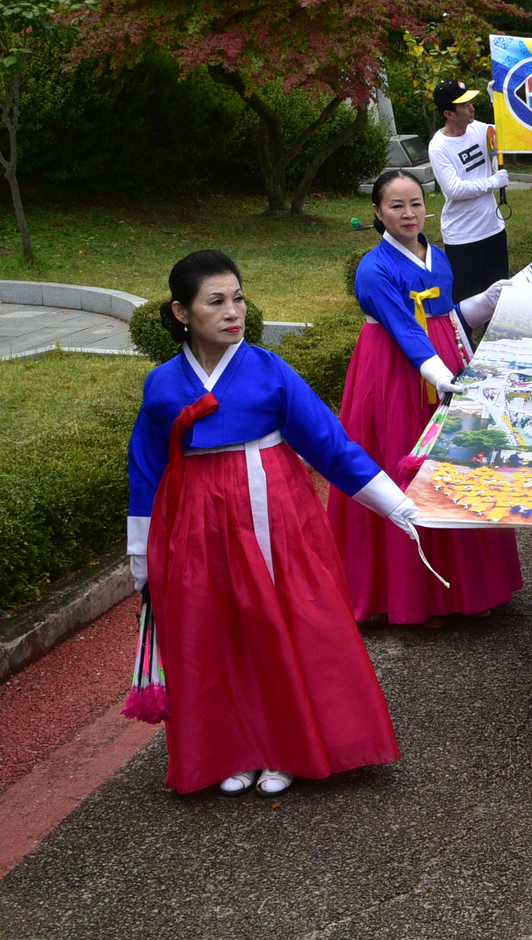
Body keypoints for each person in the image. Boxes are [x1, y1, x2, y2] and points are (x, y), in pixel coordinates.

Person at [127, 250, 410, 797]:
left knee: (287, 623)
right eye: (216, 301)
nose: (233, 312)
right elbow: (145, 471)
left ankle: (289, 748)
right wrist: (141, 557)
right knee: (216, 629)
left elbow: (329, 444)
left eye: (238, 298)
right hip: (197, 525)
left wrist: (397, 505)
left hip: (273, 512)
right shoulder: (162, 385)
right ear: (181, 312)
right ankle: (235, 749)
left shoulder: (269, 369)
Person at [329, 169, 523, 627]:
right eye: (396, 206)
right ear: (377, 213)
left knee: (456, 467)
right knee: (403, 463)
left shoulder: (438, 258)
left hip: (442, 363)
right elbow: (402, 327)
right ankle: (415, 597)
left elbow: (447, 317)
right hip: (393, 371)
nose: (408, 213)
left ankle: (469, 588)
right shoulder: (373, 269)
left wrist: (486, 301)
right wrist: (438, 373)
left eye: (415, 203)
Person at [426, 80, 511, 302]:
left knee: (498, 295)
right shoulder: (439, 146)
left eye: (471, 102)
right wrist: (493, 182)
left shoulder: (478, 129)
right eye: (464, 105)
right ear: (449, 114)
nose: (472, 108)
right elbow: (454, 189)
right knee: (466, 301)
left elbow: (506, 133)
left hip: (493, 229)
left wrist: (498, 102)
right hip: (463, 236)